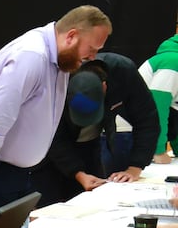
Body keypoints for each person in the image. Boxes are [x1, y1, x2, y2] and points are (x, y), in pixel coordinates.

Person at [0, 5, 112, 228]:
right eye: (91, 49)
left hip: (14, 172)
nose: (93, 57)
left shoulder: (61, 59)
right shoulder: (30, 56)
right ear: (71, 36)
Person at [37, 53, 159, 207]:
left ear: (104, 87)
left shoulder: (123, 72)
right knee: (50, 208)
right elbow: (53, 136)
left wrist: (135, 168)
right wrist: (79, 174)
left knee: (94, 203)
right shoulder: (58, 79)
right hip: (50, 153)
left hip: (90, 146)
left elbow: (147, 120)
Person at [139, 13, 178, 164]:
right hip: (128, 135)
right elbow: (158, 107)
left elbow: (175, 112)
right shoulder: (172, 62)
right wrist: (158, 150)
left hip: (144, 133)